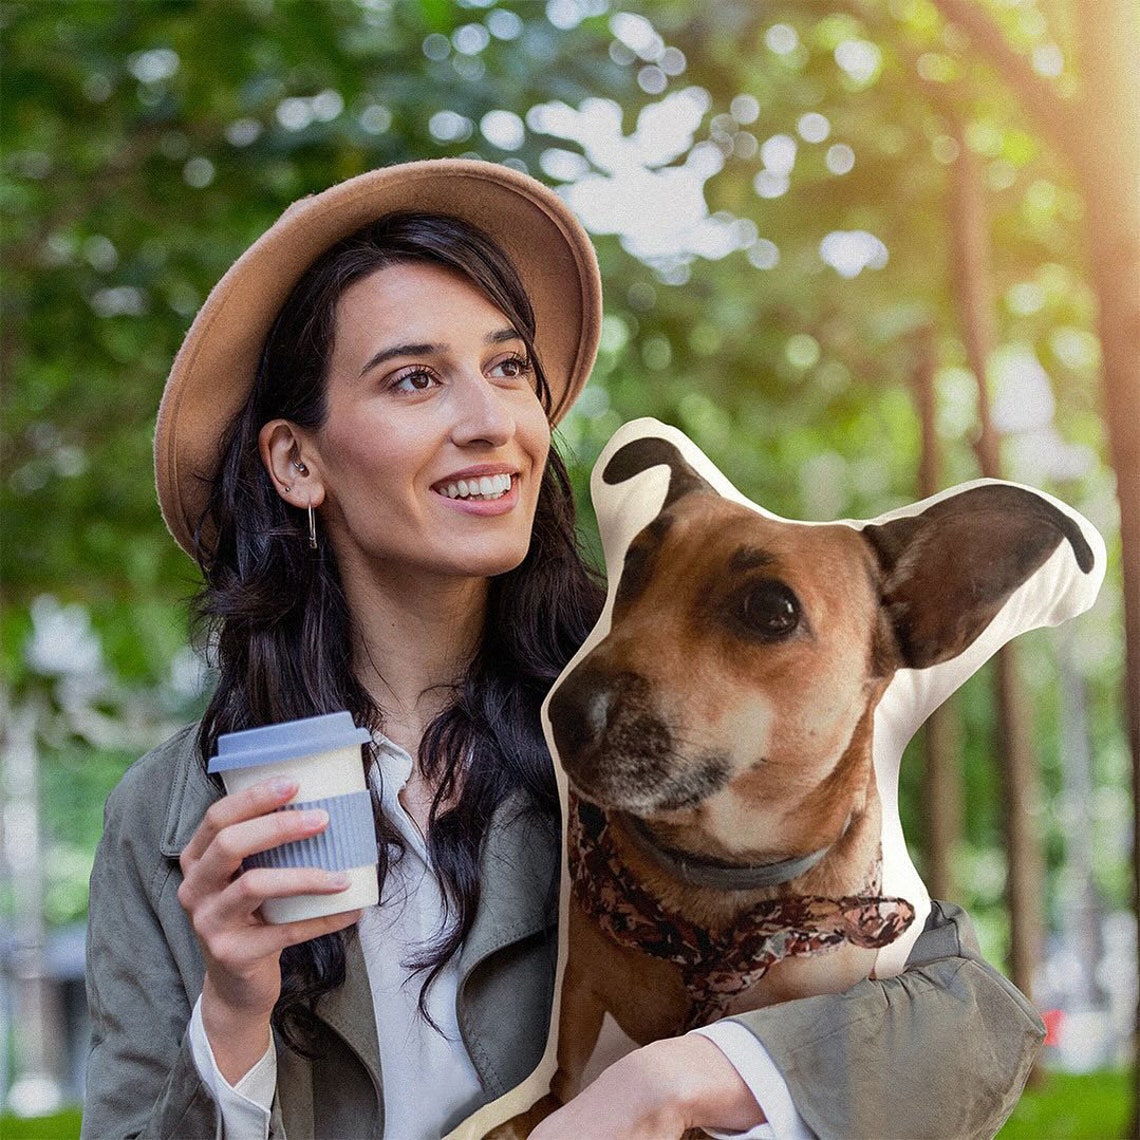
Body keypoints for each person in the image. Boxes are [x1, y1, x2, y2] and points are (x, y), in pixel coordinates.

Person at [83, 159, 1044, 1140]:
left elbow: (973, 1027)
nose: (492, 423)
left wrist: (674, 1081)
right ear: (297, 460)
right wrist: (235, 1014)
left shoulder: (629, 728)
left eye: (507, 368)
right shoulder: (169, 820)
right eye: (415, 379)